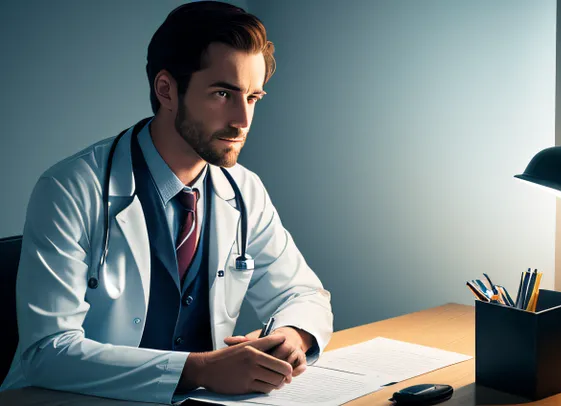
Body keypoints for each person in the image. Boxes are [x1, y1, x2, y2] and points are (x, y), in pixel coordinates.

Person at [0, 1, 333, 403]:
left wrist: (289, 336)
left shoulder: (243, 190)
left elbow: (304, 294)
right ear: (166, 89)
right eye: (223, 93)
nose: (242, 121)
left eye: (253, 98)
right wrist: (201, 369)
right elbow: (46, 353)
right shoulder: (70, 189)